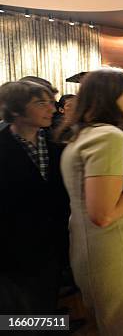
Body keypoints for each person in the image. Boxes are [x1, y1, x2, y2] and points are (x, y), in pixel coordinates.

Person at [60, 67, 123, 335]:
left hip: (90, 249)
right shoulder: (109, 136)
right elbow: (104, 214)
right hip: (116, 253)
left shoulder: (82, 135)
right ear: (110, 98)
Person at [0, 81, 69, 315]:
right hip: (14, 247)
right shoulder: (3, 146)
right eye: (41, 103)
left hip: (53, 241)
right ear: (16, 109)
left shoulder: (57, 143)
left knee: (48, 296)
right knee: (18, 310)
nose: (52, 108)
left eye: (51, 102)